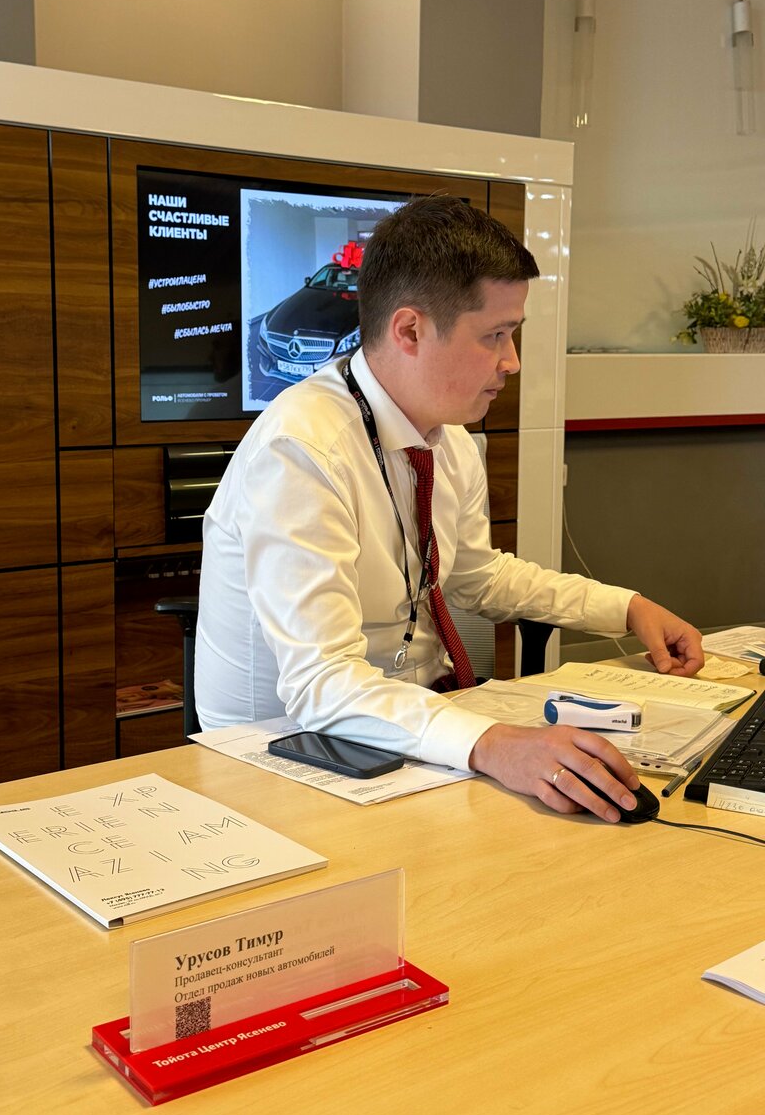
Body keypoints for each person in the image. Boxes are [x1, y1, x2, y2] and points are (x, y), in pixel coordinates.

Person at [196, 196, 704, 822]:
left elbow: (474, 577)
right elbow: (320, 684)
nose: (512, 361)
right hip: (275, 758)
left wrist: (624, 608)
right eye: (495, 336)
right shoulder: (300, 450)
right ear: (409, 330)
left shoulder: (447, 437)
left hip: (411, 732)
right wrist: (492, 744)